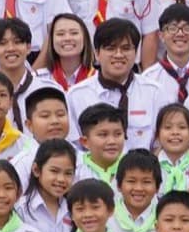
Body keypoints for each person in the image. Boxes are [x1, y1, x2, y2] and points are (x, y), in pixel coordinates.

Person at [65, 18, 161, 149]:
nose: (118, 55)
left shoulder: (154, 92)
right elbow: (74, 147)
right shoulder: (77, 95)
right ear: (97, 53)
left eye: (126, 48)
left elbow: (159, 145)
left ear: (136, 53)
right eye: (111, 48)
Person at [0, 17, 53, 128]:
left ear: (28, 48)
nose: (10, 48)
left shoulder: (48, 89)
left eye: (17, 42)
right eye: (2, 43)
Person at [37, 11, 97, 91]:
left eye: (74, 33)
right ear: (51, 41)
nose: (67, 38)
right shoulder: (38, 80)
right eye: (60, 34)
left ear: (85, 38)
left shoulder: (99, 78)